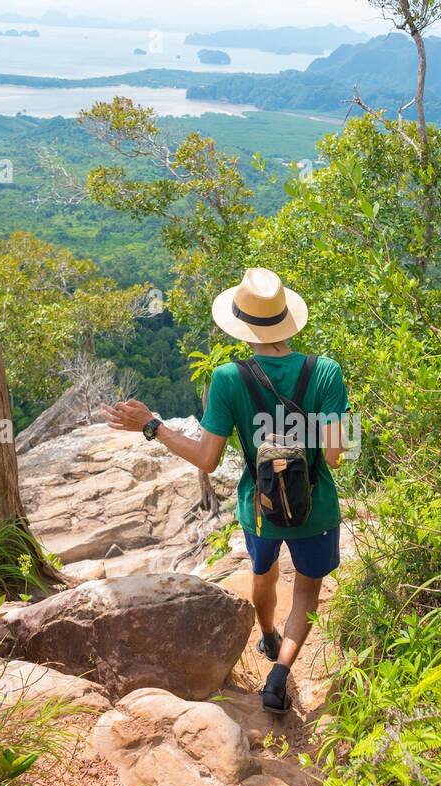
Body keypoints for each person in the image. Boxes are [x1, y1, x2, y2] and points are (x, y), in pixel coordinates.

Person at [102, 268, 349, 713]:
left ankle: (268, 635)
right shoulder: (326, 372)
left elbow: (206, 458)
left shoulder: (228, 379)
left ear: (242, 326)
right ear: (286, 317)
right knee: (307, 592)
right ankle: (279, 675)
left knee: (263, 572)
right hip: (317, 510)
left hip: (260, 508)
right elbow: (333, 457)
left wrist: (152, 426)